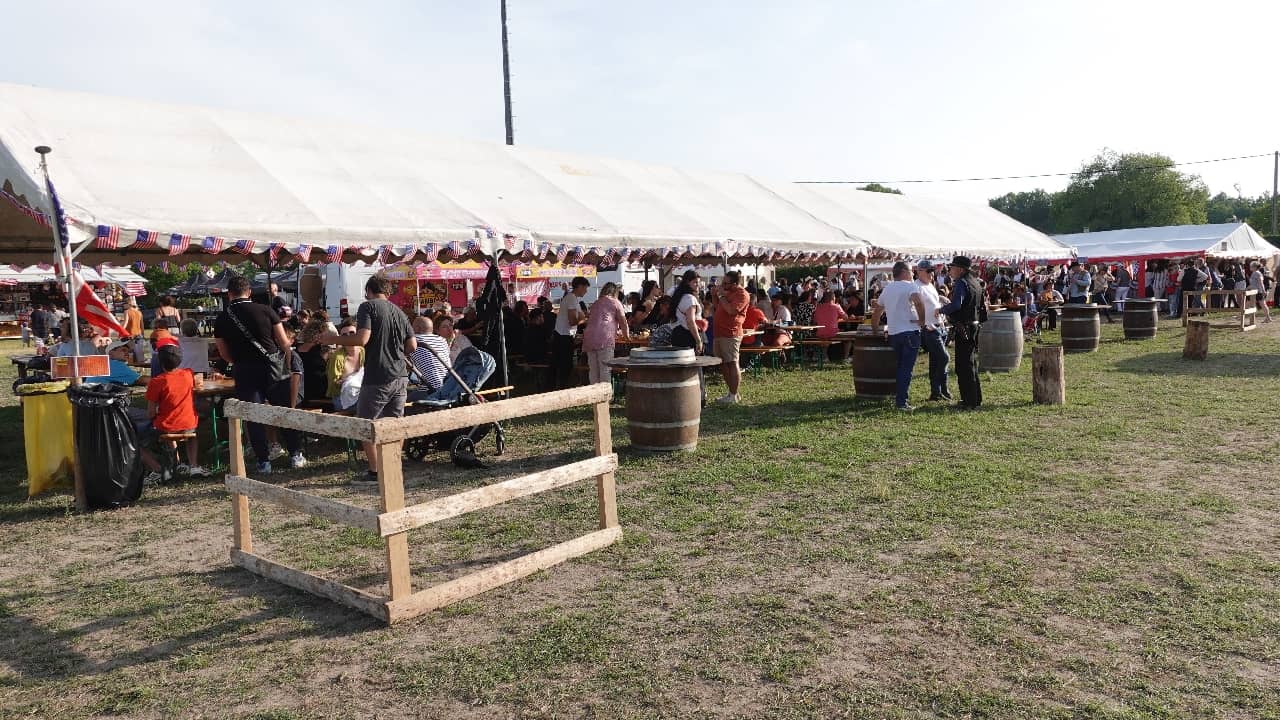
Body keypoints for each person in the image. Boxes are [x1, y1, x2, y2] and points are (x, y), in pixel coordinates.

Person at [319, 276, 415, 484]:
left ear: (369, 290)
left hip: (377, 376)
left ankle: (375, 472)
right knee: (395, 425)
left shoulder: (367, 307)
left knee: (365, 425)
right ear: (387, 292)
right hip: (400, 376)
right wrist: (396, 355)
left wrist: (332, 339)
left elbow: (362, 339)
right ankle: (392, 469)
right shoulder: (399, 312)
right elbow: (412, 346)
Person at [214, 275, 294, 473]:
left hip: (245, 369)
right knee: (283, 411)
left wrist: (239, 361)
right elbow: (284, 342)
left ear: (229, 294)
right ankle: (295, 454)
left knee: (253, 416)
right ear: (249, 292)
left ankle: (263, 460)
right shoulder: (266, 310)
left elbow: (223, 353)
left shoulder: (223, 317)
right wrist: (288, 364)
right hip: (271, 368)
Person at [144, 343, 211, 478]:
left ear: (161, 363)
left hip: (166, 426)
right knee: (191, 435)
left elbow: (150, 412)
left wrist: (155, 412)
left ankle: (173, 464)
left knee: (164, 425)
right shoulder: (188, 374)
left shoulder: (156, 382)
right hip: (189, 424)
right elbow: (196, 381)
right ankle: (193, 465)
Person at [870, 262, 926, 411]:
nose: (912, 273)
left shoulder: (887, 289)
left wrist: (875, 329)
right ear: (904, 272)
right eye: (911, 270)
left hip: (894, 333)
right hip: (909, 331)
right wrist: (922, 321)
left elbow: (877, 311)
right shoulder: (910, 286)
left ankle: (900, 398)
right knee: (906, 368)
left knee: (901, 366)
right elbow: (919, 303)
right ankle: (901, 402)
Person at [938, 256, 984, 409]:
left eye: (952, 267)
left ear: (960, 269)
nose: (950, 270)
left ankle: (969, 401)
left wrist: (941, 310)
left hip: (964, 327)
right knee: (970, 363)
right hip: (973, 326)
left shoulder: (961, 283)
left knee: (963, 366)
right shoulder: (975, 282)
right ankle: (975, 398)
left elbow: (957, 304)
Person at [914, 261, 951, 402]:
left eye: (932, 270)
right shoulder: (916, 286)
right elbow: (913, 307)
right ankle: (941, 388)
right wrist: (923, 325)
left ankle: (938, 391)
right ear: (920, 271)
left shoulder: (930, 285)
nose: (931, 273)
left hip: (939, 326)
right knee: (944, 357)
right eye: (928, 271)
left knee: (936, 360)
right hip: (929, 328)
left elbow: (933, 304)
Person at [711, 271, 750, 404]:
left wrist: (721, 295)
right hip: (719, 333)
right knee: (722, 364)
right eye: (723, 282)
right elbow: (718, 307)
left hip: (730, 333)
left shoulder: (742, 294)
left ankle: (733, 395)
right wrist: (714, 296)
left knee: (732, 363)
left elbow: (731, 310)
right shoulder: (727, 292)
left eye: (726, 283)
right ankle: (732, 393)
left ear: (735, 284)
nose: (723, 285)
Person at [580, 282, 629, 384]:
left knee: (593, 370)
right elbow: (623, 322)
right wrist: (627, 337)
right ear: (615, 292)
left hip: (589, 338)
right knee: (605, 369)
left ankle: (595, 395)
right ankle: (605, 397)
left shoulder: (596, 303)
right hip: (605, 337)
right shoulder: (615, 302)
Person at [551, 277, 590, 389]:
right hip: (563, 336)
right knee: (565, 365)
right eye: (585, 288)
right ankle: (562, 389)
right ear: (580, 286)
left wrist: (583, 317)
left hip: (563, 335)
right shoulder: (571, 298)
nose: (586, 291)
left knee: (562, 365)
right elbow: (572, 321)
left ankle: (559, 387)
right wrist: (585, 319)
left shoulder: (572, 298)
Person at [407, 315, 452, 397]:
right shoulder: (442, 340)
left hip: (431, 389)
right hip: (447, 386)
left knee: (400, 401)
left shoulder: (415, 340)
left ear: (417, 328)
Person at [326, 318, 364, 410]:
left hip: (362, 393)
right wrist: (344, 381)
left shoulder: (363, 351)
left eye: (352, 333)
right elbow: (333, 385)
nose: (349, 337)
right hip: (341, 397)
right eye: (344, 335)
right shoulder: (337, 357)